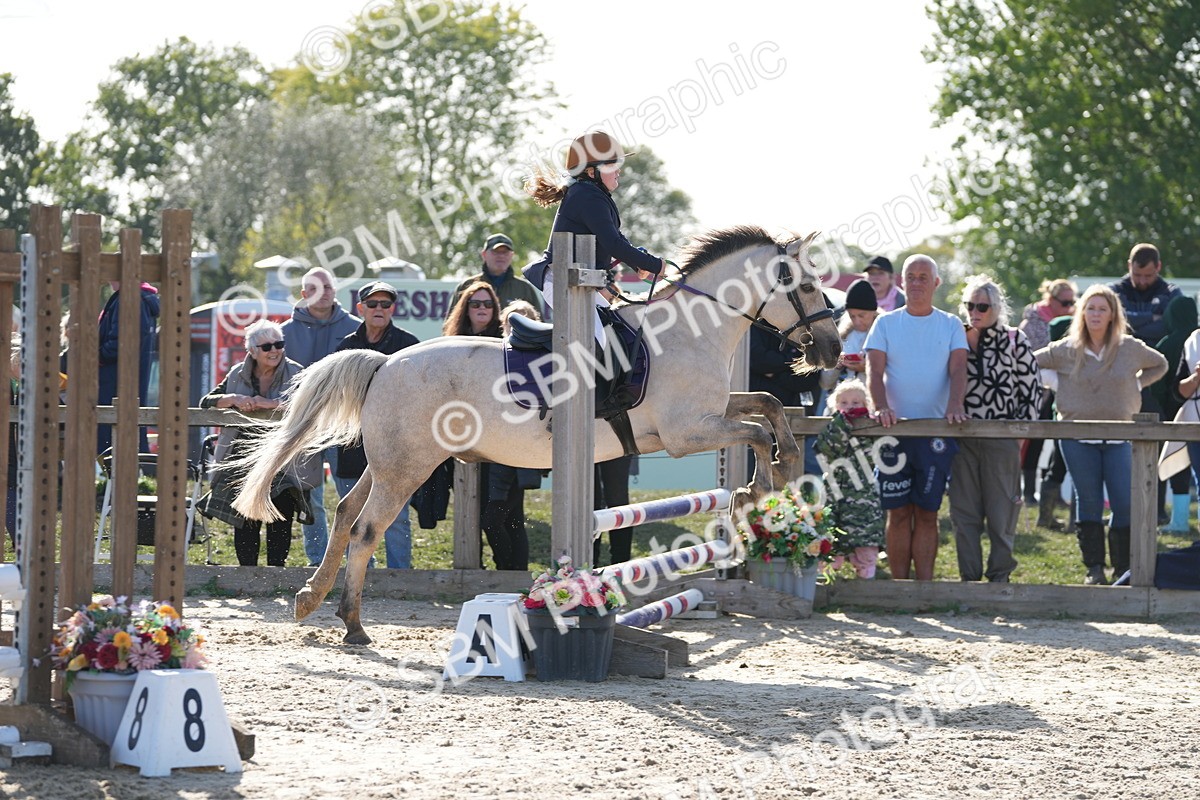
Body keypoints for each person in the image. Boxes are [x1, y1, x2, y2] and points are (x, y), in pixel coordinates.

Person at [522, 131, 665, 414]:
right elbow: (613, 243)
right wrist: (654, 265)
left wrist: (640, 262)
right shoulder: (587, 195)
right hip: (564, 282)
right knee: (597, 340)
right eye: (612, 166)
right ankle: (562, 408)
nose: (618, 172)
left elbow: (615, 243)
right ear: (591, 171)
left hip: (580, 282)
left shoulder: (591, 193)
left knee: (616, 330)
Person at [1035, 285, 1168, 585]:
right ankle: (1094, 569)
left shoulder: (1129, 347)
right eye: (1090, 308)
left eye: (1102, 309)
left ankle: (1123, 569)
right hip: (1077, 438)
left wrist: (1136, 385)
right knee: (1089, 500)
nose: (1095, 314)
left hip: (1120, 436)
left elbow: (1160, 364)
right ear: (1082, 312)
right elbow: (1030, 364)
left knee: (1123, 503)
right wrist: (1055, 383)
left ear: (1112, 315)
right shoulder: (1067, 348)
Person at [865, 254, 968, 580]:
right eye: (911, 276)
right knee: (897, 512)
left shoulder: (950, 324)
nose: (917, 282)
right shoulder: (885, 323)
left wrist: (955, 404)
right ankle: (899, 587)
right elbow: (874, 370)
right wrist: (880, 405)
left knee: (927, 512)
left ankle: (923, 588)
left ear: (936, 283)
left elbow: (959, 368)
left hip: (936, 431)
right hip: (893, 430)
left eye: (925, 277)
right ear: (902, 282)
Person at [199, 320, 319, 566]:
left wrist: (270, 404)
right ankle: (247, 573)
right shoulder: (236, 374)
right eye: (267, 347)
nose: (274, 350)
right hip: (243, 455)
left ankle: (276, 573)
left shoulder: (297, 373)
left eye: (279, 344)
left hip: (282, 457)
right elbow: (206, 401)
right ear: (252, 351)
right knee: (245, 517)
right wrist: (234, 398)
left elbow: (312, 408)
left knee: (280, 514)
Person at [948, 276, 1042, 583]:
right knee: (964, 514)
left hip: (1002, 437)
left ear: (996, 308)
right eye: (970, 305)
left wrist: (1019, 436)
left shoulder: (1015, 339)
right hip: (961, 436)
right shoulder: (955, 336)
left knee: (1002, 514)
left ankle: (1000, 577)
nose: (975, 311)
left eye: (982, 306)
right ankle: (969, 579)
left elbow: (1031, 392)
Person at [333, 281, 421, 568]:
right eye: (372, 304)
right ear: (360, 309)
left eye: (385, 304)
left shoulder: (409, 346)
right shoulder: (346, 347)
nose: (379, 309)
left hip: (395, 446)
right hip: (353, 445)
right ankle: (356, 577)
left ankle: (401, 579)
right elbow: (338, 397)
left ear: (392, 308)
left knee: (396, 517)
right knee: (352, 515)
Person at [443, 287, 529, 569]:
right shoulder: (450, 345)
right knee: (474, 515)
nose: (481, 308)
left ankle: (511, 575)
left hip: (506, 440)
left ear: (495, 310)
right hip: (464, 442)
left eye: (488, 304)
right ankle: (481, 571)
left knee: (507, 516)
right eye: (475, 303)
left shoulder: (505, 342)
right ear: (465, 308)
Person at [281, 267, 360, 566]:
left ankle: (359, 558)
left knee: (351, 493)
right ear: (304, 294)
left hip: (346, 421)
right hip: (305, 424)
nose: (324, 291)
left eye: (328, 285)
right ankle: (319, 561)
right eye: (315, 287)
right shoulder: (285, 333)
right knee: (310, 496)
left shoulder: (355, 328)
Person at [813, 380, 884, 578]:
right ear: (835, 405)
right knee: (828, 538)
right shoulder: (831, 426)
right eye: (843, 402)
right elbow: (826, 450)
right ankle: (824, 584)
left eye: (856, 402)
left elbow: (877, 453)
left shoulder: (871, 427)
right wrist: (841, 422)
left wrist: (868, 422)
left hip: (864, 495)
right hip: (833, 491)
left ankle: (864, 582)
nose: (849, 406)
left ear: (866, 404)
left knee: (865, 545)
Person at [1018, 279, 1077, 505]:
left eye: (1073, 302)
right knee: (1034, 440)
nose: (1070, 307)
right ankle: (1029, 491)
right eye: (1065, 302)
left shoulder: (1072, 323)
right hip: (1036, 390)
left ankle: (1050, 493)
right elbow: (1027, 359)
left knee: (1058, 440)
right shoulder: (1030, 325)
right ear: (1050, 300)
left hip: (1061, 389)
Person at [97, 280, 160, 454]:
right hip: (123, 379)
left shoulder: (130, 299)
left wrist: (95, 356)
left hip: (115, 379)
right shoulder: (138, 299)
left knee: (111, 439)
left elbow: (120, 343)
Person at [1153, 295, 1197, 532]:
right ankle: (1182, 519)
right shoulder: (1194, 340)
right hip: (1194, 413)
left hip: (1170, 416)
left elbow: (1157, 385)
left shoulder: (1168, 343)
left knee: (1168, 465)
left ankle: (1171, 518)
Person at [1109, 243, 1182, 348]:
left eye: (1148, 275)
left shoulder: (1171, 293)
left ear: (1158, 267)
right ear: (1129, 266)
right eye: (1137, 275)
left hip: (1160, 358)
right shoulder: (1113, 292)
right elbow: (1108, 321)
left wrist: (1128, 327)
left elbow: (1170, 327)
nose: (1142, 281)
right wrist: (1152, 317)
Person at [448, 233, 542, 312]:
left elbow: (538, 325)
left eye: (505, 252)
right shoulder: (466, 286)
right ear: (484, 254)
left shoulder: (524, 289)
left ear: (512, 255)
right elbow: (451, 325)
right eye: (495, 252)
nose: (501, 256)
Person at [822, 278, 878, 388]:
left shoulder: (884, 333)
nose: (857, 321)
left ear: (873, 311)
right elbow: (825, 384)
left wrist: (867, 369)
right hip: (843, 399)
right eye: (852, 316)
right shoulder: (842, 335)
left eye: (862, 315)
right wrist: (836, 365)